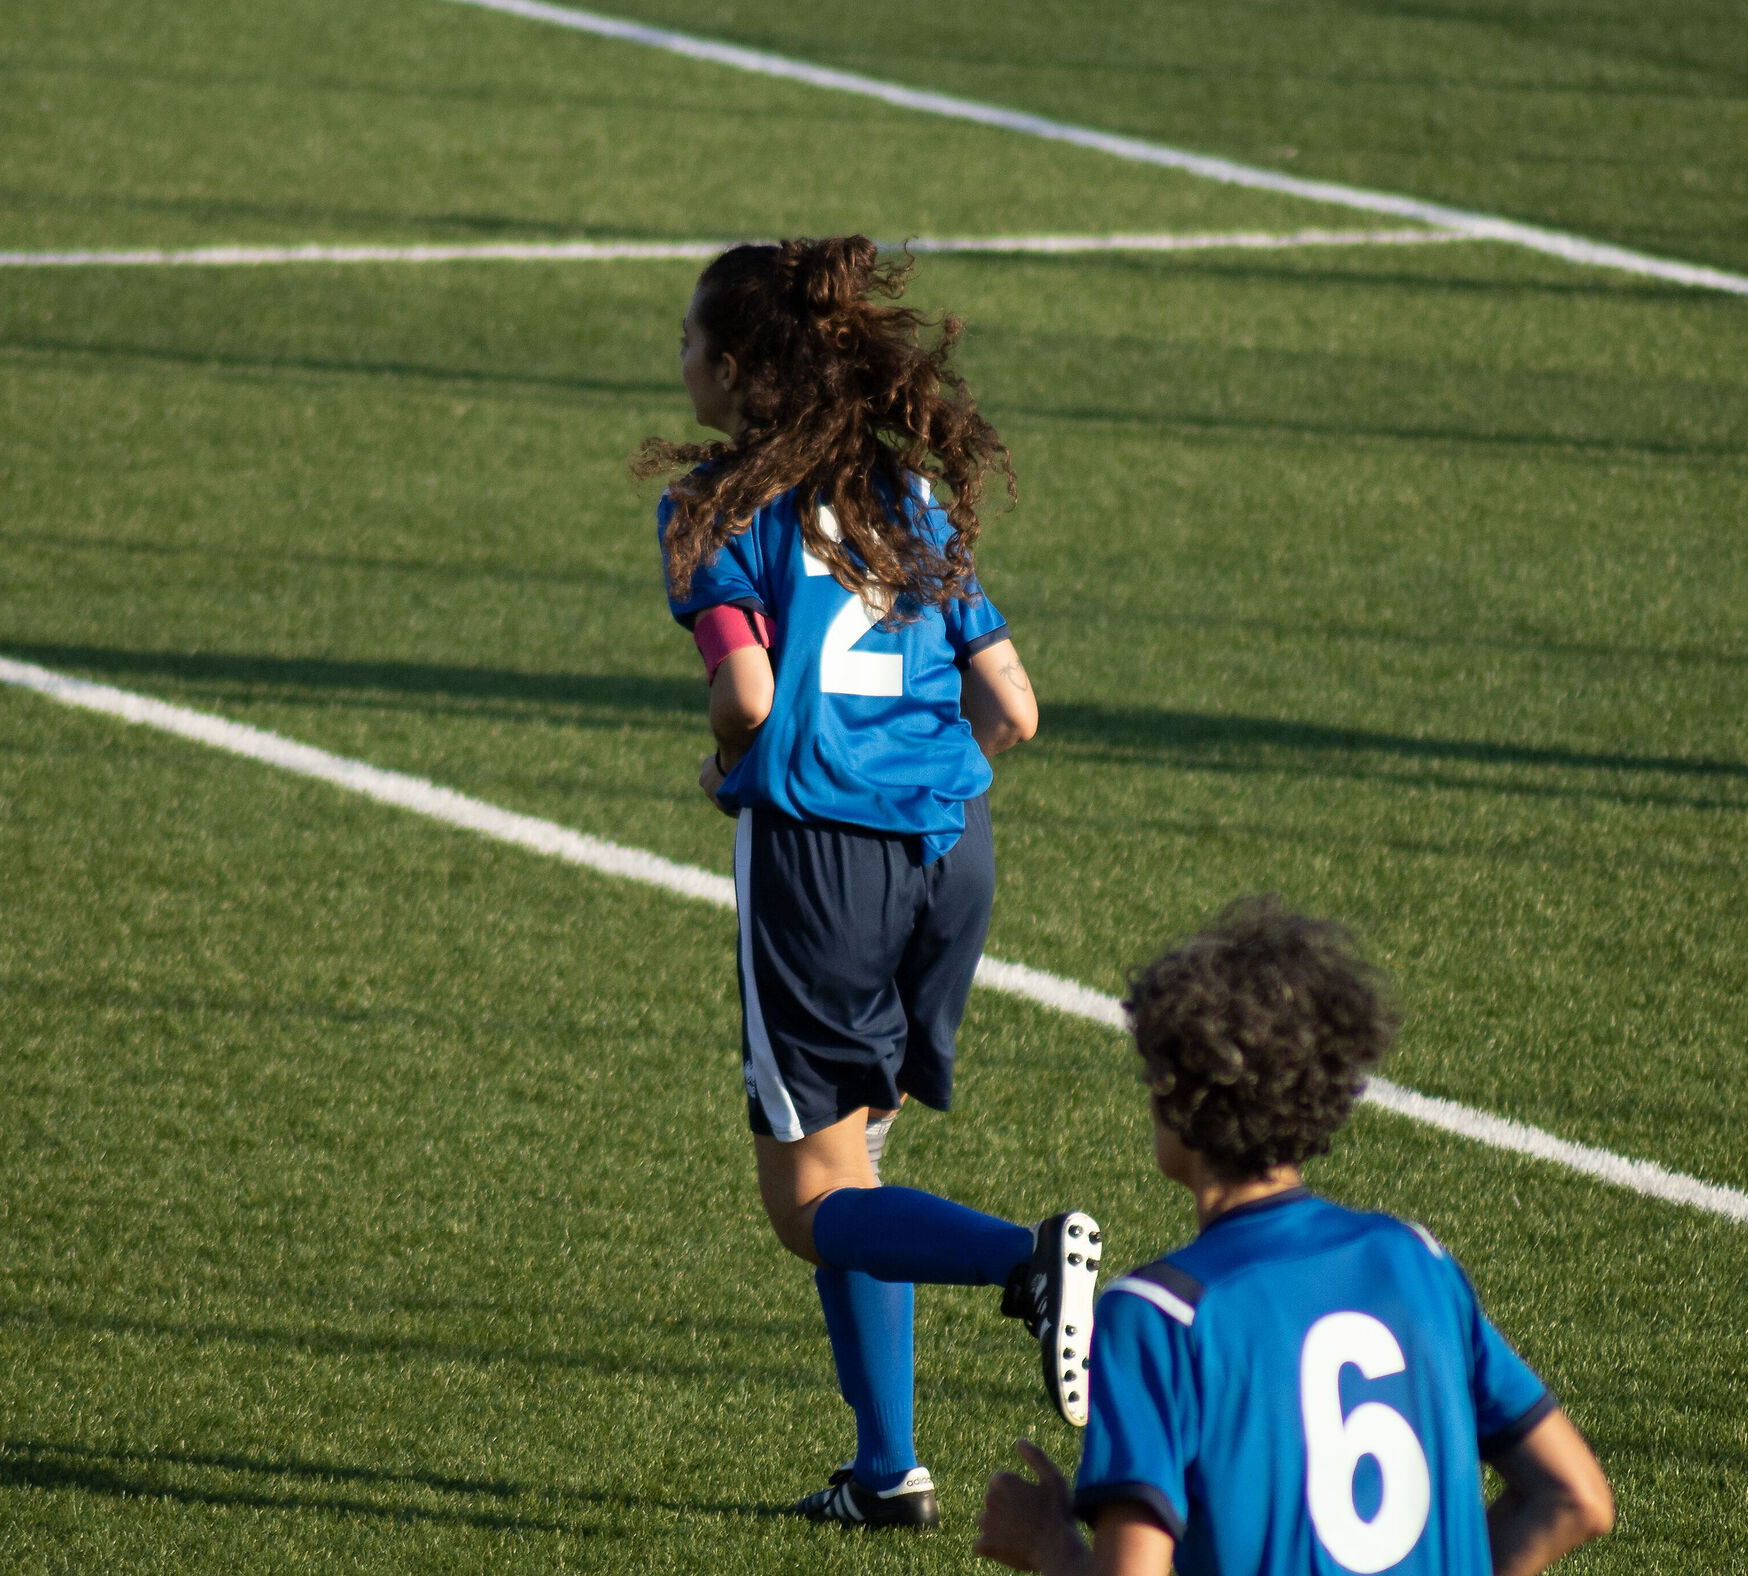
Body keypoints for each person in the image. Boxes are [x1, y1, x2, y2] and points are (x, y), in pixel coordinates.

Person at [638, 235, 1102, 1531]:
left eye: (686, 341)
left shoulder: (713, 508)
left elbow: (745, 691)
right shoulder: (906, 497)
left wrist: (742, 757)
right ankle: (885, 1469)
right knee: (862, 1154)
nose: (675, 360)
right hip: (950, 855)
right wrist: (920, 775)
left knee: (808, 1203)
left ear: (736, 371)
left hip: (820, 858)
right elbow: (1011, 703)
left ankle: (1025, 1264)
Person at [972, 896, 1616, 1575]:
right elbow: (1576, 1498)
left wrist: (1050, 1547)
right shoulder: (1415, 1261)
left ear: (1175, 1096)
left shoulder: (1160, 1315)